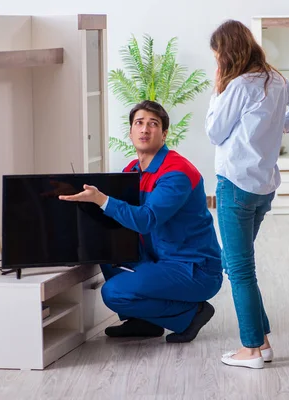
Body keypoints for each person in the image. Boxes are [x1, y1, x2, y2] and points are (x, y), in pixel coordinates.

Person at [60, 100, 223, 343]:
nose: (145, 129)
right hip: (160, 259)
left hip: (194, 269)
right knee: (108, 255)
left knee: (113, 293)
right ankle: (145, 321)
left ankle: (192, 314)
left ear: (164, 134)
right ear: (131, 132)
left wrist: (101, 198)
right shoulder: (133, 169)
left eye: (153, 124)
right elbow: (114, 209)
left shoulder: (177, 173)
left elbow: (146, 220)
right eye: (139, 123)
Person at [206, 19, 289, 368]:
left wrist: (217, 89)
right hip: (263, 189)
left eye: (217, 56)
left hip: (235, 186)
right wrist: (276, 128)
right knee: (238, 266)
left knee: (238, 270)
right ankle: (263, 341)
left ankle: (251, 349)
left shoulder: (237, 86)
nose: (216, 62)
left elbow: (214, 132)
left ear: (226, 54)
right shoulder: (276, 80)